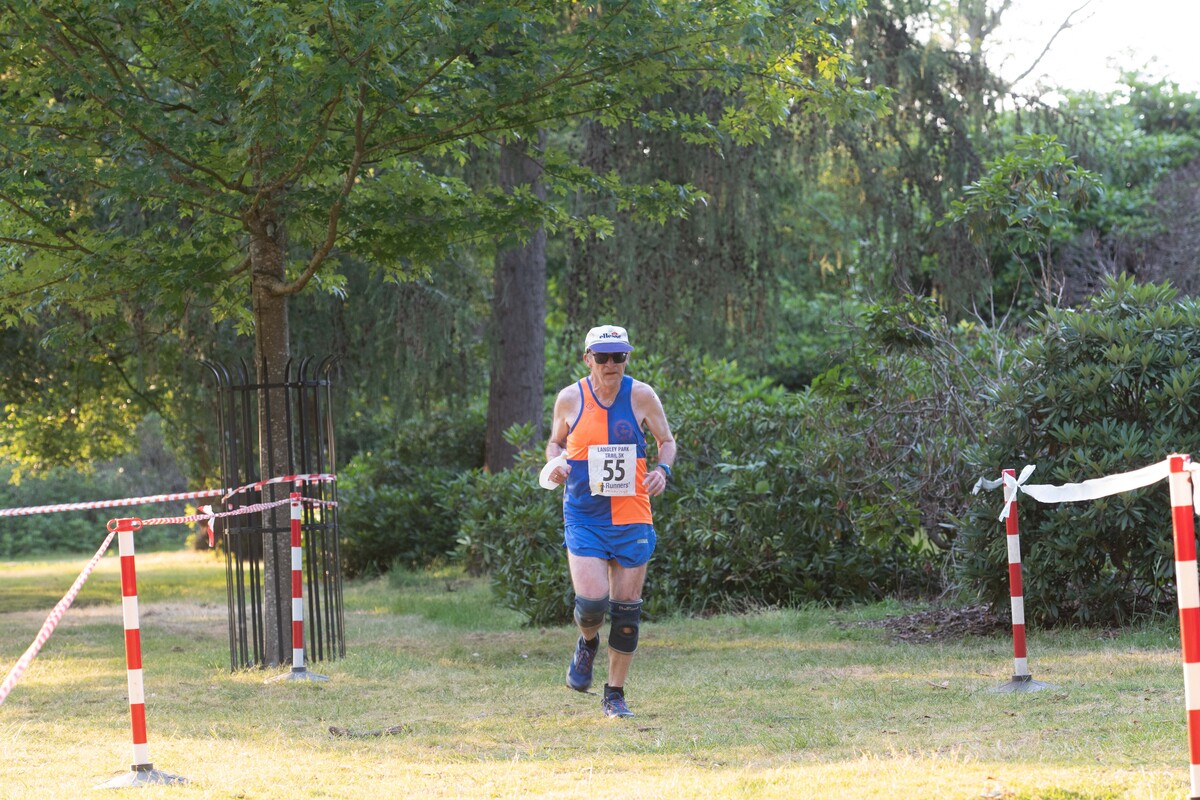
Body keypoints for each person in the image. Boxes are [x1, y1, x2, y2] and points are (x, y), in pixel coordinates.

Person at [543, 324, 676, 718]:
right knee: (591, 604)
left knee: (627, 610)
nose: (611, 363)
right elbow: (554, 442)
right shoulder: (570, 398)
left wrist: (662, 470)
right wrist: (555, 464)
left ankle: (614, 694)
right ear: (588, 359)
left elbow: (667, 441)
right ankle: (587, 642)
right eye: (602, 356)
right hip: (585, 514)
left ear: (626, 359)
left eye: (619, 356)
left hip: (632, 514)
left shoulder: (642, 395)